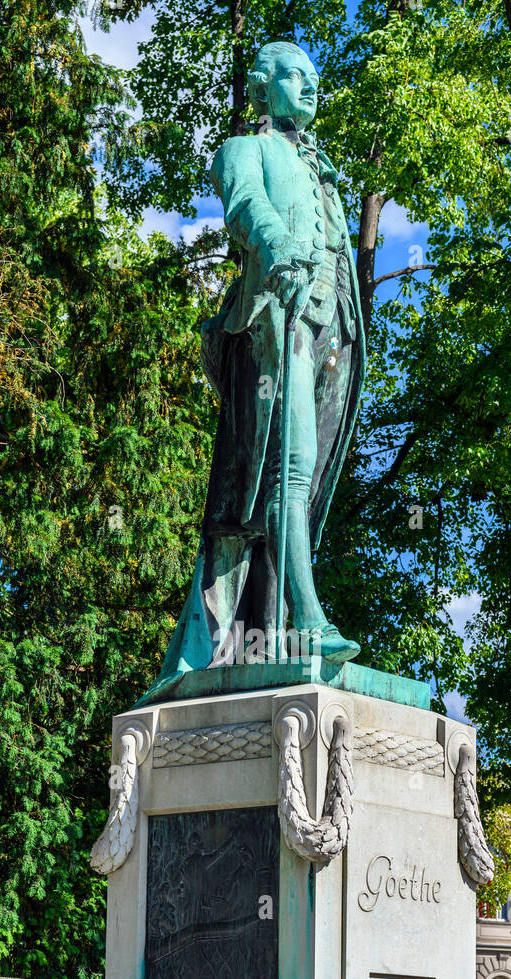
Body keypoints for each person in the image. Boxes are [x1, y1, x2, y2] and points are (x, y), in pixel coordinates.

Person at [140, 40, 364, 705]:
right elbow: (246, 209)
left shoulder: (322, 166)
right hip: (275, 320)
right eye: (295, 76)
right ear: (265, 88)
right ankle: (314, 626)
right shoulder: (245, 150)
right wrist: (279, 246)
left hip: (331, 333)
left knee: (308, 479)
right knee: (288, 472)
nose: (310, 86)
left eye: (314, 78)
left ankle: (280, 628)